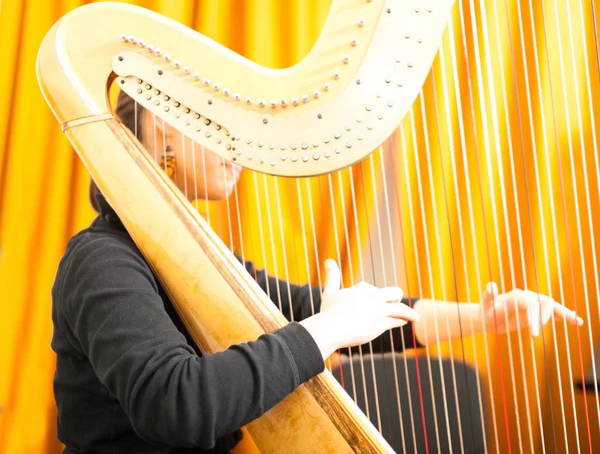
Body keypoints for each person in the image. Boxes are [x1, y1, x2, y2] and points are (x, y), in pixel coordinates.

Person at [51, 90, 584, 453]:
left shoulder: (184, 258)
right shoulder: (101, 261)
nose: (242, 144)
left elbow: (321, 311)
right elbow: (177, 403)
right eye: (223, 123)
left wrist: (485, 319)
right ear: (165, 126)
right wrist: (328, 329)